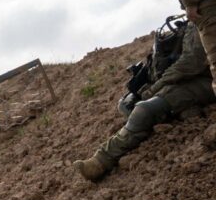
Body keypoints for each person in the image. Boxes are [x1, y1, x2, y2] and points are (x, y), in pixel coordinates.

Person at [75, 21, 215, 182]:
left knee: (145, 110)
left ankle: (101, 160)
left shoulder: (205, 14)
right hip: (201, 77)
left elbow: (191, 62)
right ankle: (185, 109)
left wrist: (156, 87)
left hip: (208, 80)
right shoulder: (200, 16)